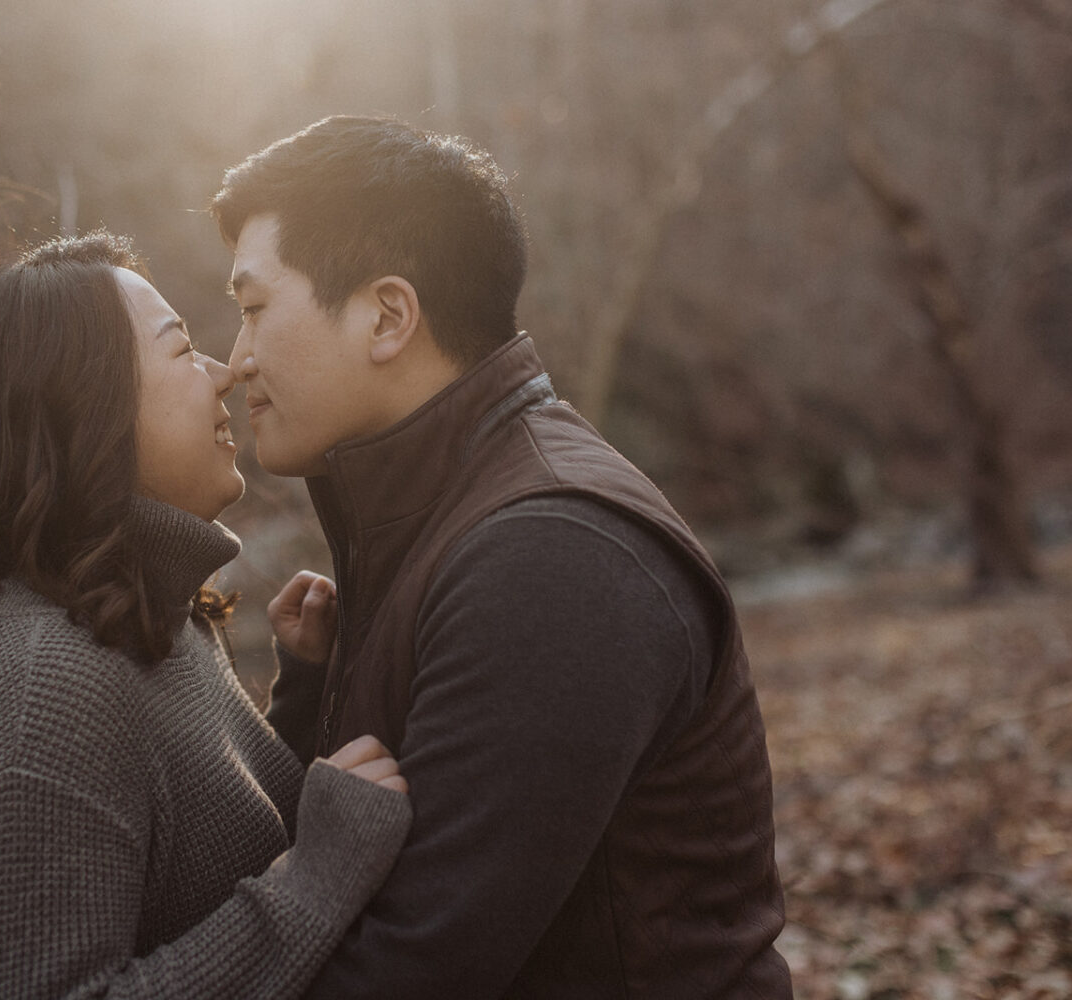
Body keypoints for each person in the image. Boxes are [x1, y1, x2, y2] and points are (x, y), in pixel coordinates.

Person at [211, 116, 793, 999]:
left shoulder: (553, 551)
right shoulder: (434, 520)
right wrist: (307, 692)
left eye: (253, 310)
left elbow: (412, 967)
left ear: (388, 315)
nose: (235, 359)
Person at [0, 231, 411, 999]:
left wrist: (299, 701)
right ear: (85, 414)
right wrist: (316, 882)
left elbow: (189, 868)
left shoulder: (135, 616)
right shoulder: (44, 693)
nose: (224, 373)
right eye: (181, 351)